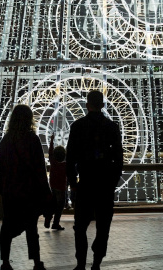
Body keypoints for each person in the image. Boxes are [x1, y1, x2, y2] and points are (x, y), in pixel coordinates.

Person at [66, 91, 123, 270]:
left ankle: (80, 263)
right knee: (103, 225)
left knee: (80, 226)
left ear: (87, 105)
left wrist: (73, 182)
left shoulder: (78, 126)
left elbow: (70, 158)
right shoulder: (112, 127)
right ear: (103, 105)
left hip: (86, 182)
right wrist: (114, 180)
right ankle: (97, 261)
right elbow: (119, 157)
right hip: (105, 184)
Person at [0, 104, 52, 270]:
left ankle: (5, 262)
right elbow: (40, 169)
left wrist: (4, 190)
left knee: (7, 227)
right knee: (31, 229)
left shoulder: (6, 141)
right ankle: (36, 262)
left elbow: (0, 169)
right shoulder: (33, 140)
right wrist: (45, 193)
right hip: (29, 193)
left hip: (11, 193)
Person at [44, 133, 67, 230]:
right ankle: (55, 223)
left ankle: (48, 217)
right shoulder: (66, 165)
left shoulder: (53, 162)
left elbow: (50, 152)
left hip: (53, 186)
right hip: (62, 188)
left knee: (53, 205)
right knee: (60, 207)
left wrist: (52, 140)